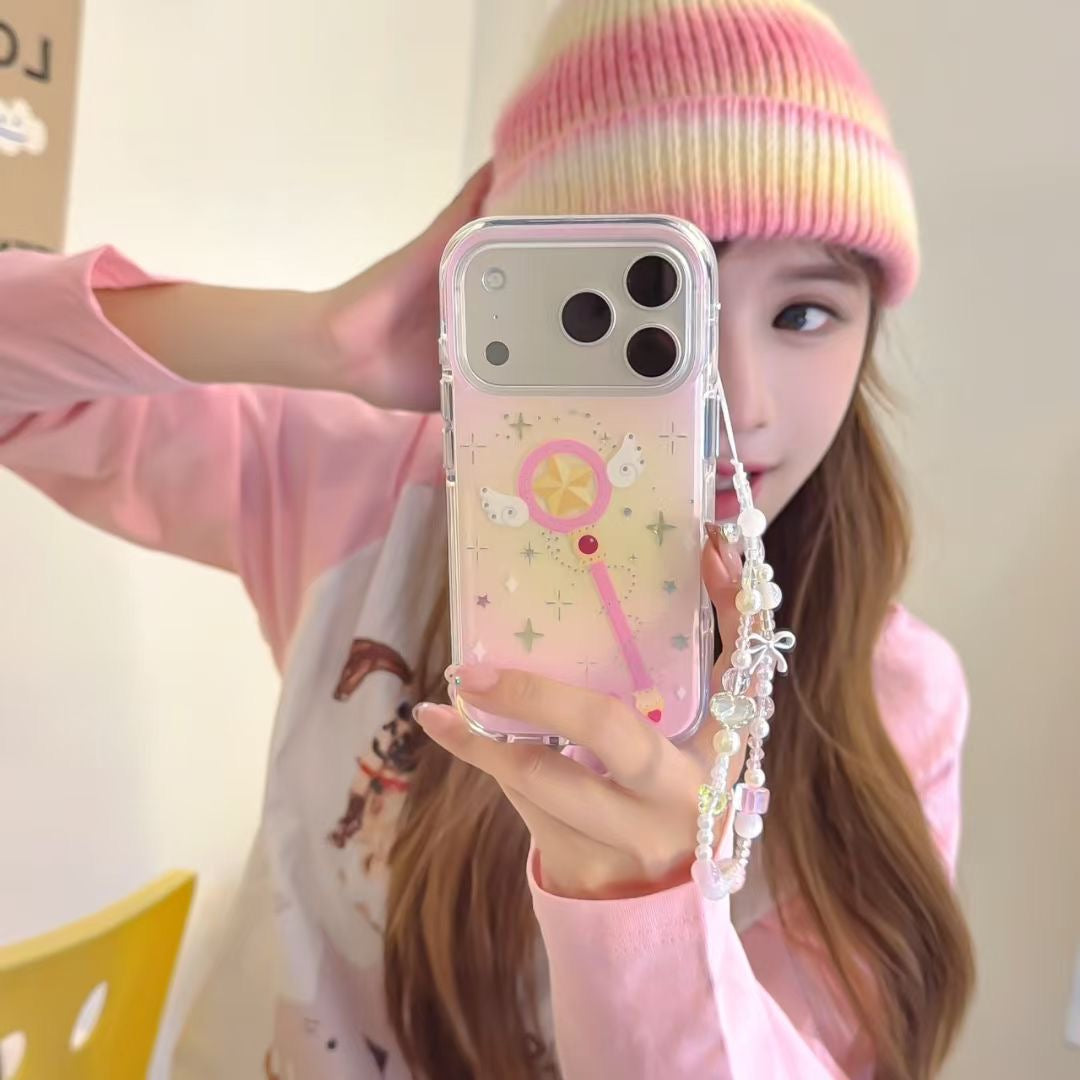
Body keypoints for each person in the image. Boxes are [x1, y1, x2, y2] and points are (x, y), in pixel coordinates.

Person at [0, 0, 975, 1076]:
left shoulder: (899, 701)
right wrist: (319, 340)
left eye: (803, 314)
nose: (735, 404)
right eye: (643, 312)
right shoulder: (361, 498)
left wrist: (646, 916)